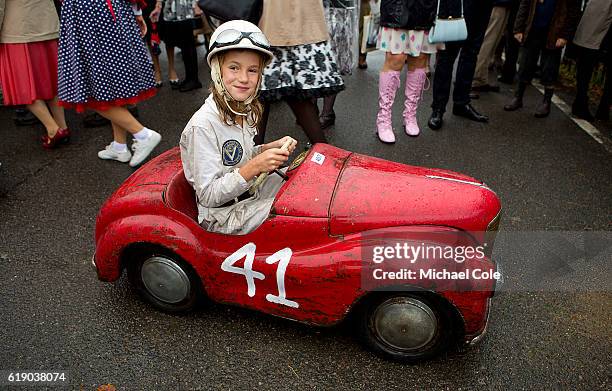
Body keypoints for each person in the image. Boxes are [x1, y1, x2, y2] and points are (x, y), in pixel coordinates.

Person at [180, 20, 298, 234]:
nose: (244, 78)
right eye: (234, 67)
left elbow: (236, 157)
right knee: (298, 213)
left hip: (250, 192)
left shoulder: (245, 109)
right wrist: (255, 166)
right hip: (223, 216)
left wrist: (269, 149)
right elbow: (208, 195)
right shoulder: (203, 125)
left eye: (252, 70)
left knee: (303, 181)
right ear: (217, 70)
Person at [58, 0, 162, 166]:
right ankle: (119, 146)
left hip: (85, 12)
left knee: (91, 90)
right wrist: (136, 11)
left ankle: (143, 135)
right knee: (112, 86)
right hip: (113, 8)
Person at [256, 0, 345, 145]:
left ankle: (252, 160)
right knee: (267, 95)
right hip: (293, 22)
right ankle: (325, 155)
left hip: (280, 22)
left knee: (262, 95)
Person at [0, 0, 69, 149]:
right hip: (46, 23)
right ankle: (62, 127)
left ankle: (53, 129)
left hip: (17, 29)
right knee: (51, 81)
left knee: (22, 86)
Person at [503, 0, 580, 118]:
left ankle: (546, 102)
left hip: (554, 32)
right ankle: (518, 98)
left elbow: (573, 13)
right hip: (533, 29)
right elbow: (525, 4)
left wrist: (564, 35)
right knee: (525, 64)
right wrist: (518, 28)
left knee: (549, 68)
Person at [375, 0, 438, 143]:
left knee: (420, 58)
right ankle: (383, 119)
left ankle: (410, 114)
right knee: (396, 57)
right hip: (397, 7)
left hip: (424, 8)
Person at [428, 0, 493, 131]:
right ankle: (438, 108)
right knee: (448, 54)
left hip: (483, 5)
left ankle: (461, 102)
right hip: (458, 3)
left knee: (472, 52)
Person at [571, 0, 612, 121]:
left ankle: (601, 109)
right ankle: (581, 103)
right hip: (597, 25)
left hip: (596, 24)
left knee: (585, 67)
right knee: (586, 67)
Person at [152, 0, 203, 92]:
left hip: (184, 9)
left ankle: (193, 80)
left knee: (188, 44)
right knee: (185, 45)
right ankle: (190, 78)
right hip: (173, 10)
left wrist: (196, 4)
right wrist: (159, 5)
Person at [472, 0, 516, 93]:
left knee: (492, 44)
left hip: (502, 4)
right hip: (497, 4)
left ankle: (481, 78)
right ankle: (476, 78)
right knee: (488, 41)